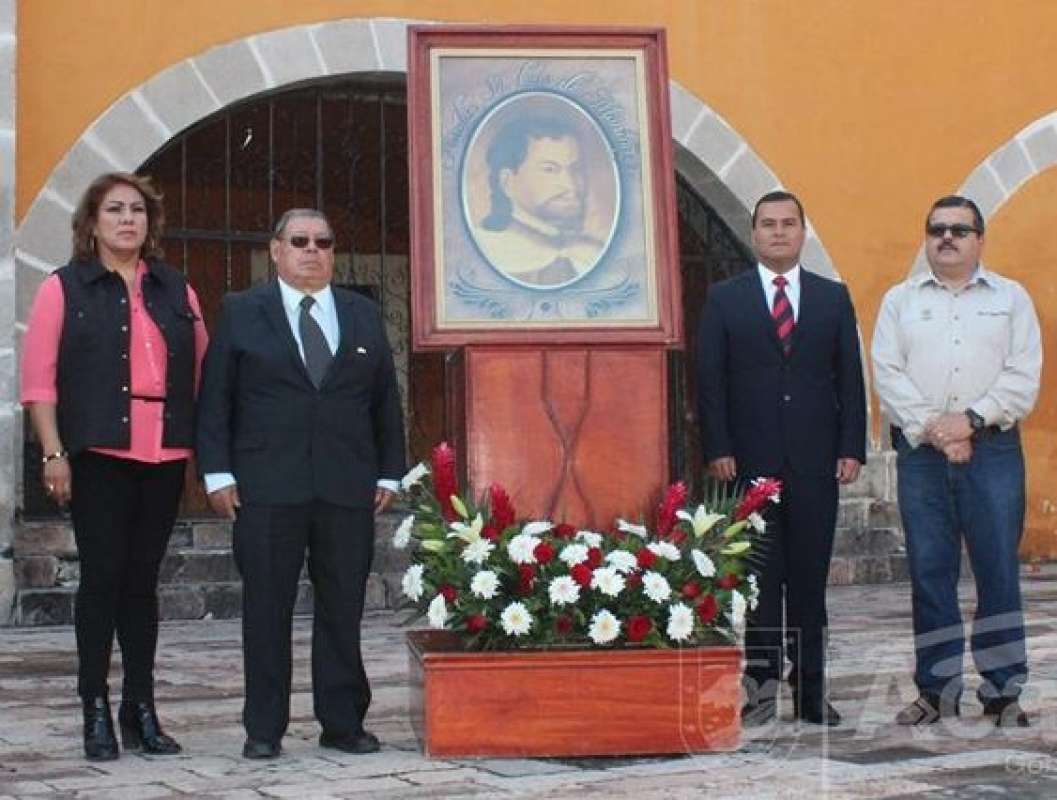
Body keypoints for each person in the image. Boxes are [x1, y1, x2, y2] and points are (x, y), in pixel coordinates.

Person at [195, 209, 406, 760]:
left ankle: (342, 722)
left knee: (343, 607)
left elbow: (385, 399)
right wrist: (217, 472)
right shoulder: (242, 312)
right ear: (276, 250)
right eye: (300, 241)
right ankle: (264, 729)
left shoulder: (361, 313)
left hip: (346, 487)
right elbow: (215, 398)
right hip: (266, 487)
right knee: (267, 608)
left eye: (323, 242)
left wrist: (389, 470)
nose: (312, 250)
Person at [20, 172, 209, 760]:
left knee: (142, 584)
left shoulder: (177, 290)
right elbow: (38, 382)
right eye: (113, 210)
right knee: (102, 581)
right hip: (98, 451)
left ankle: (141, 707)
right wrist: (54, 453)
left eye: (137, 210)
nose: (127, 219)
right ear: (92, 223)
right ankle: (94, 707)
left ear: (149, 223)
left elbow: (202, 373)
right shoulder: (63, 288)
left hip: (164, 452)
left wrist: (205, 453)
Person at [696, 190, 866, 726]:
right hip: (749, 462)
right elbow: (709, 380)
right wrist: (718, 446)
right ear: (754, 234)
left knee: (810, 581)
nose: (777, 232)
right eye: (767, 224)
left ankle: (812, 693)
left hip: (818, 461)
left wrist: (851, 446)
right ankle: (762, 689)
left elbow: (850, 380)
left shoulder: (832, 298)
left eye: (787, 224)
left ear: (802, 232)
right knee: (762, 581)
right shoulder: (726, 298)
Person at [872, 195, 1041, 728]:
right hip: (923, 454)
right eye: (937, 229)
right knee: (929, 572)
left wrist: (969, 420)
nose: (947, 238)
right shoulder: (899, 301)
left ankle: (1003, 691)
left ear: (979, 240)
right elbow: (887, 373)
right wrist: (937, 430)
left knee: (997, 571)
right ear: (926, 238)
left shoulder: (1011, 299)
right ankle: (937, 690)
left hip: (991, 451)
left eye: (959, 230)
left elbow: (1022, 376)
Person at [472, 115, 604, 287]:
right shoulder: (483, 252)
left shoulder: (590, 255)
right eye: (549, 170)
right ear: (507, 181)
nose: (571, 186)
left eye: (575, 169)